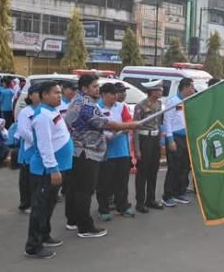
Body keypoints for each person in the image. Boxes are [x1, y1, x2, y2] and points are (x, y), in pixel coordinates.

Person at [63, 74, 141, 238]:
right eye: (94, 86)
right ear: (84, 88)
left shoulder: (82, 101)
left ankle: (73, 220)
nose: (97, 89)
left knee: (78, 190)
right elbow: (105, 124)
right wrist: (131, 125)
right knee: (85, 190)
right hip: (86, 152)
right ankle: (85, 227)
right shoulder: (84, 104)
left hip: (82, 151)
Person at [24, 81, 73, 259]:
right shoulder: (42, 116)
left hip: (57, 167)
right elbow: (44, 145)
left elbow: (59, 137)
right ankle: (33, 246)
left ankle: (44, 235)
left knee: (49, 205)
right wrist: (53, 169)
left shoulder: (52, 111)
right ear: (44, 95)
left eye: (60, 92)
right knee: (40, 207)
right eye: (55, 93)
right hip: (45, 171)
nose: (59, 95)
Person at [96, 83, 135, 221]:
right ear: (103, 95)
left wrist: (124, 127)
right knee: (104, 183)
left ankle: (122, 206)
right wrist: (112, 132)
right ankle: (103, 209)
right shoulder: (97, 108)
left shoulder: (121, 106)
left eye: (116, 94)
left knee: (122, 181)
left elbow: (129, 121)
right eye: (112, 94)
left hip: (122, 151)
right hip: (106, 152)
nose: (115, 96)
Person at [161, 77, 195, 207]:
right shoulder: (173, 102)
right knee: (174, 167)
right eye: (191, 87)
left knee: (184, 166)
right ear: (185, 88)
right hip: (175, 137)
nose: (193, 90)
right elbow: (167, 121)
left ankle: (179, 192)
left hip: (186, 137)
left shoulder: (188, 101)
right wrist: (170, 140)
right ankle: (167, 195)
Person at [133, 80, 165, 213]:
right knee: (142, 172)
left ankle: (150, 199)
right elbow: (135, 127)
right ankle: (140, 202)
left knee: (153, 170)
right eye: (158, 90)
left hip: (155, 138)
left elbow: (159, 124)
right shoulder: (140, 106)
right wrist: (137, 148)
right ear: (151, 91)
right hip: (144, 139)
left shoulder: (159, 104)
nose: (160, 92)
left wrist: (160, 143)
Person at [15, 84, 42, 213]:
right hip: (29, 149)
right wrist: (40, 142)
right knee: (27, 179)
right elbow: (24, 132)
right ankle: (26, 204)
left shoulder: (45, 110)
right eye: (37, 92)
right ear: (30, 96)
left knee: (38, 179)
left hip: (42, 149)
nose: (40, 95)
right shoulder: (26, 112)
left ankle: (37, 202)